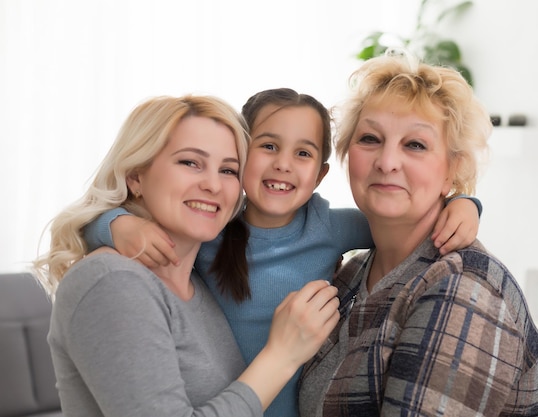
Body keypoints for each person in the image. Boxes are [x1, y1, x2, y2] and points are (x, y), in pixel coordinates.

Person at [83, 88, 483, 417]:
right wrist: (118, 223)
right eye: (269, 146)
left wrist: (464, 202)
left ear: (321, 174)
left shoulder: (327, 226)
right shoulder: (208, 229)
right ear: (240, 158)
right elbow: (89, 223)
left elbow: (403, 218)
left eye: (304, 153)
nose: (283, 165)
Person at [32, 95, 340, 417]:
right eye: (190, 162)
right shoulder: (113, 281)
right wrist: (282, 356)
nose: (212, 185)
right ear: (136, 176)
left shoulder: (198, 283)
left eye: (228, 170)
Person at [298, 53, 538, 416]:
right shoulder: (353, 273)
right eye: (370, 138)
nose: (387, 162)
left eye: (415, 145)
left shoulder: (461, 288)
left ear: (454, 170)